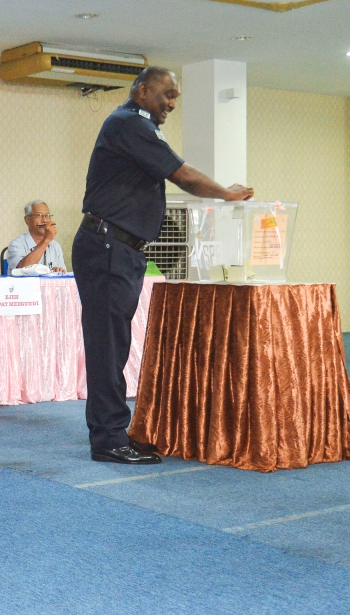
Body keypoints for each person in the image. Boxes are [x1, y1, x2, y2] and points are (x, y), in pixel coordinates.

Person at [74, 66, 253, 465]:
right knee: (108, 346)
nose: (171, 103)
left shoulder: (135, 127)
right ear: (141, 91)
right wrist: (226, 195)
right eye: (166, 93)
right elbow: (183, 176)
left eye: (175, 97)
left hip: (119, 248)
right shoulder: (129, 124)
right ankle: (107, 440)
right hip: (108, 247)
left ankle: (114, 431)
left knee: (113, 344)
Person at [6, 200, 67, 273]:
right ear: (27, 220)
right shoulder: (16, 244)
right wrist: (46, 240)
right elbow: (22, 271)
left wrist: (57, 271)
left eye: (47, 216)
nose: (44, 220)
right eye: (39, 215)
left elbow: (63, 274)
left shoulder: (55, 246)